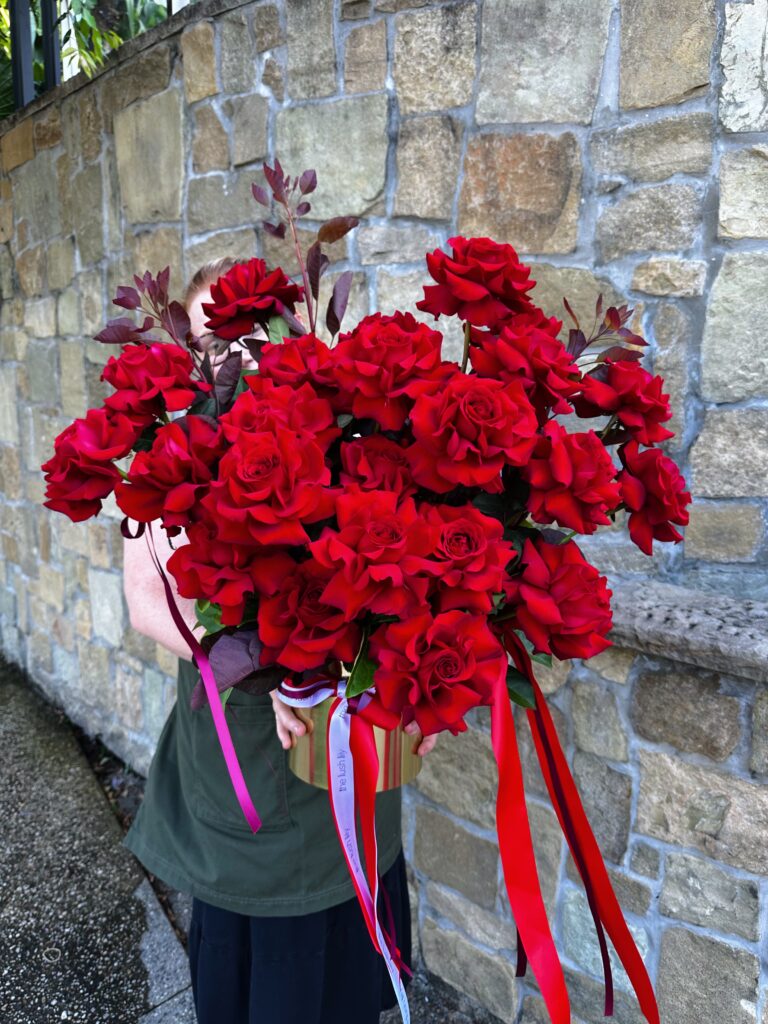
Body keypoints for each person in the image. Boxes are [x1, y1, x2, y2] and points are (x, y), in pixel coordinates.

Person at [121, 257, 437, 1024]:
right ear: (188, 351)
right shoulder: (166, 457)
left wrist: (413, 677)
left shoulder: (344, 435)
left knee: (350, 933)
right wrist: (272, 667)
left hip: (343, 735)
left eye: (248, 337)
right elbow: (145, 606)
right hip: (241, 737)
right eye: (212, 339)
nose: (232, 357)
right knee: (268, 957)